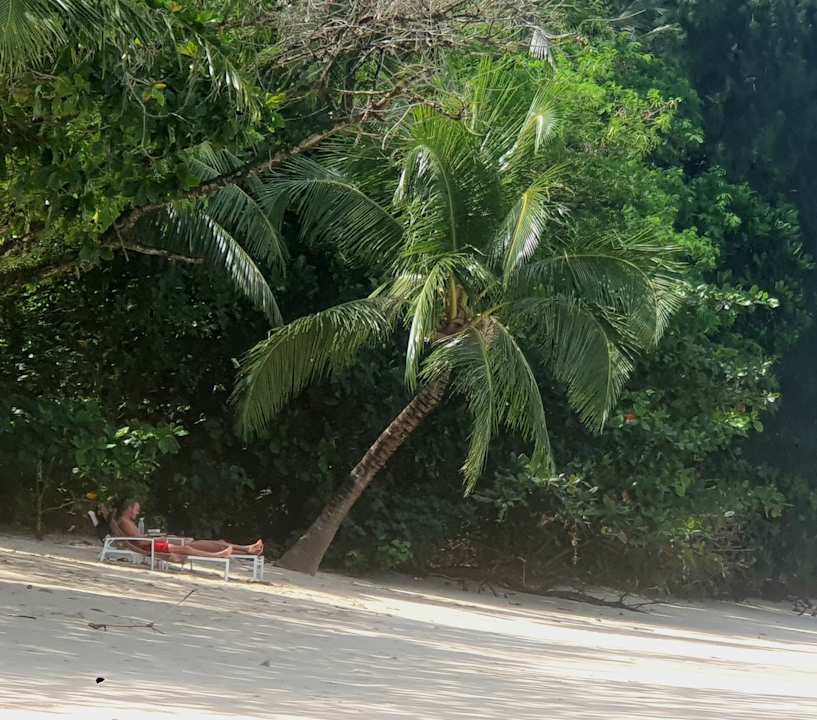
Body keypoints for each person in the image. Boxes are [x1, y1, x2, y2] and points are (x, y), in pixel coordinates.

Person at [117, 500, 264, 559]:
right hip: (153, 546)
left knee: (214, 544)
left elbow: (139, 540)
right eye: (136, 509)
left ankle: (245, 549)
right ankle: (242, 550)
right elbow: (141, 543)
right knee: (204, 545)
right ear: (129, 508)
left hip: (154, 544)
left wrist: (160, 536)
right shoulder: (124, 522)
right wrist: (160, 538)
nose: (137, 512)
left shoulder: (126, 522)